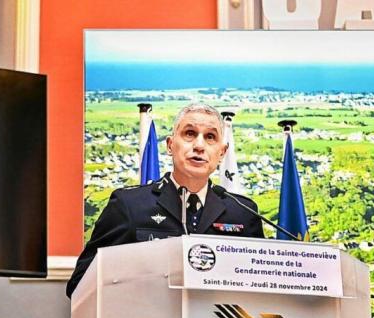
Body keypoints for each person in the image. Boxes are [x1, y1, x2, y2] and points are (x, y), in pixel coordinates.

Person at [66, 103, 264, 299]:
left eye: (210, 137)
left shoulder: (244, 213)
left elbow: (261, 291)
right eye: (189, 134)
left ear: (222, 153)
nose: (199, 145)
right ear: (170, 145)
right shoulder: (129, 205)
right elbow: (81, 284)